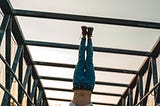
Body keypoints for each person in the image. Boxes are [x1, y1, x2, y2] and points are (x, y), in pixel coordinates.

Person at [69, 26, 95, 106]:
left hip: (77, 83)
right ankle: (89, 37)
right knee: (89, 60)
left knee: (81, 60)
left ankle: (84, 36)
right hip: (89, 84)